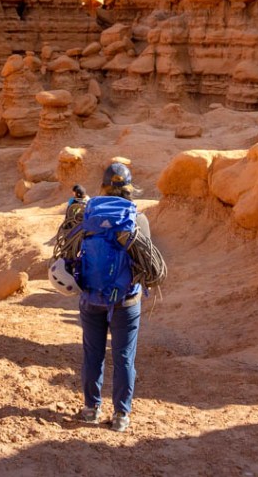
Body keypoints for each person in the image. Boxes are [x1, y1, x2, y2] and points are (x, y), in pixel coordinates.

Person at [76, 161, 151, 433]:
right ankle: (121, 415)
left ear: (104, 186)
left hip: (92, 298)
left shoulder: (87, 215)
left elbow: (71, 254)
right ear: (129, 189)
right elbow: (147, 264)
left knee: (93, 354)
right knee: (124, 357)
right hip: (126, 301)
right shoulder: (138, 219)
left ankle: (90, 410)